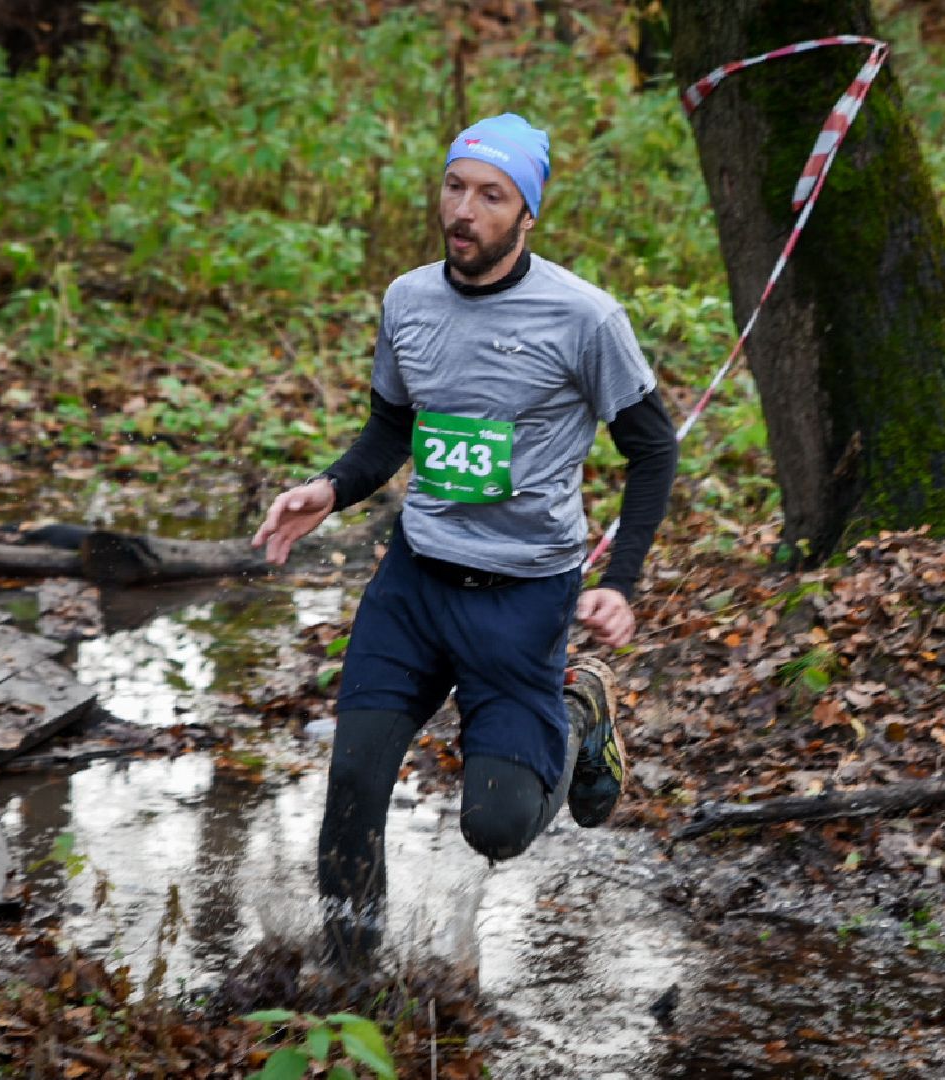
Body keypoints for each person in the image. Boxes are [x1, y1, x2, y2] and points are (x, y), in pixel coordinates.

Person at [251, 112, 678, 963]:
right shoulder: (408, 300)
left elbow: (653, 447)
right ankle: (350, 980)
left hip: (522, 597)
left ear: (528, 214)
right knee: (353, 780)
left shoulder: (584, 318)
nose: (463, 210)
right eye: (454, 187)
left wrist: (619, 582)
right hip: (414, 585)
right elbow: (390, 430)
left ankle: (576, 710)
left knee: (497, 827)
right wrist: (329, 489)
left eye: (491, 195)